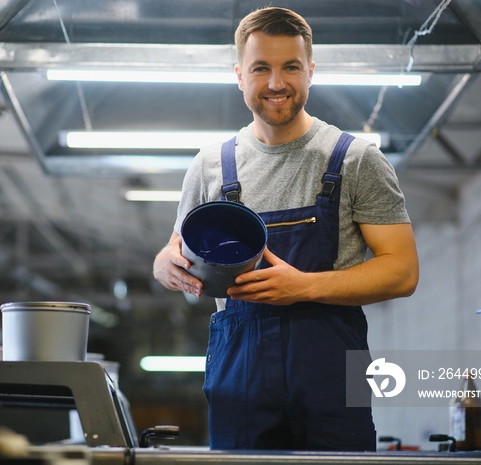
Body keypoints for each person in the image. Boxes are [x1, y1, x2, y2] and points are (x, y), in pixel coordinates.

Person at [152, 6, 419, 452]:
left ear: (310, 71)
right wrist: (165, 265)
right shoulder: (212, 166)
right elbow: (174, 249)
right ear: (240, 75)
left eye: (290, 67)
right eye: (261, 68)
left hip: (332, 375)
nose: (277, 83)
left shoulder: (355, 160)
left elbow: (403, 272)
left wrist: (304, 287)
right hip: (241, 375)